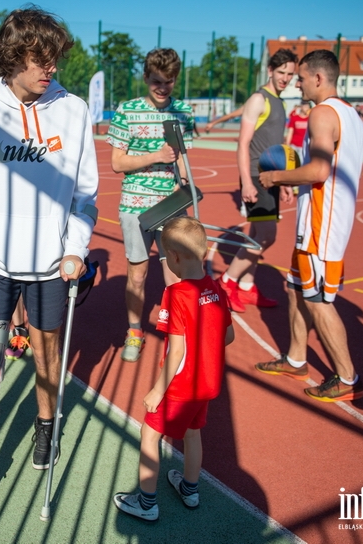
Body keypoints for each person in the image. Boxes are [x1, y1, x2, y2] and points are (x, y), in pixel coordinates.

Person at [0, 7, 98, 523]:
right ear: (12, 56)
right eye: (38, 57)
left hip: (54, 264)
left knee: (48, 355)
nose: (49, 67)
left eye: (54, 58)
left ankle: (46, 423)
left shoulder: (73, 111)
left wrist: (76, 246)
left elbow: (86, 193)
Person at [253, 49, 363, 403]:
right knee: (295, 288)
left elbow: (319, 171)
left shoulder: (322, 113)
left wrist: (276, 176)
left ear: (319, 78)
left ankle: (348, 377)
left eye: (301, 78)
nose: (297, 83)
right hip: (318, 220)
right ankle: (296, 358)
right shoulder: (350, 114)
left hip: (323, 224)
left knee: (318, 300)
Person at [112, 217, 233, 521]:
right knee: (192, 434)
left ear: (175, 258)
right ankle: (190, 489)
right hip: (207, 382)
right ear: (204, 252)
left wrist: (156, 390)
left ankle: (147, 502)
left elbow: (176, 351)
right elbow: (228, 336)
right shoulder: (215, 289)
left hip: (180, 386)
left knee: (149, 434)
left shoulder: (176, 295)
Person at [106, 48, 195, 362]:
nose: (162, 88)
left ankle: (177, 337)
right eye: (156, 81)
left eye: (168, 82)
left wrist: (185, 183)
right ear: (145, 78)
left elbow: (183, 161)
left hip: (171, 205)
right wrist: (155, 157)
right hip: (135, 204)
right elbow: (117, 163)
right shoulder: (127, 111)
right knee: (138, 274)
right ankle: (134, 332)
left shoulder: (184, 113)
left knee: (175, 274)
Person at [218, 48, 298, 313]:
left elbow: (279, 146)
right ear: (270, 71)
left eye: (290, 74)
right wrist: (247, 182)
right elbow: (242, 144)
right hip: (255, 175)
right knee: (267, 236)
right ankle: (227, 281)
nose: (285, 78)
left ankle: (247, 286)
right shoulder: (258, 99)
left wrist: (285, 181)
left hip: (271, 177)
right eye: (281, 72)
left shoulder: (282, 102)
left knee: (256, 233)